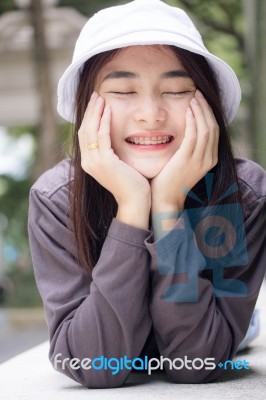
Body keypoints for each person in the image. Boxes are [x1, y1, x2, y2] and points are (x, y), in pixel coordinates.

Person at [28, 0, 266, 389]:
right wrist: (133, 208)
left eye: (175, 90)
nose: (151, 113)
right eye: (123, 90)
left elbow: (197, 362)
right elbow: (94, 364)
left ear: (206, 101)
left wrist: (168, 208)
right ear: (87, 106)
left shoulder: (243, 195)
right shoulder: (56, 199)